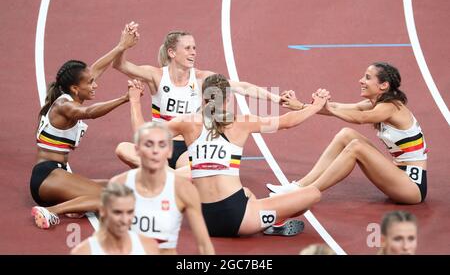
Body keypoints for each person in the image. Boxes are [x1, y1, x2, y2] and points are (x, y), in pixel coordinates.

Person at [128, 74, 324, 237]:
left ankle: (266, 218)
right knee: (313, 193)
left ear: (202, 98)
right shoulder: (242, 122)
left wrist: (135, 100)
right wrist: (315, 106)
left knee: (246, 192)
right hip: (237, 218)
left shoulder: (186, 123)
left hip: (205, 220)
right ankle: (274, 222)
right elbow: (287, 121)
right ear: (228, 99)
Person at [99, 23, 284, 170]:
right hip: (159, 144)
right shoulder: (156, 75)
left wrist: (275, 99)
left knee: (189, 170)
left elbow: (242, 87)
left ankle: (160, 174)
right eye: (187, 48)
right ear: (172, 52)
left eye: (194, 48)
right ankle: (164, 174)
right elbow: (120, 65)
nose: (193, 52)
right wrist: (123, 45)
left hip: (187, 148)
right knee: (122, 149)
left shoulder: (202, 78)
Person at [267, 62, 428, 205]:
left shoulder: (390, 107)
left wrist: (326, 106)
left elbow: (361, 118)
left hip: (412, 186)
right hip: (397, 174)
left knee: (357, 147)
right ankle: (298, 186)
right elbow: (339, 108)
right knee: (346, 134)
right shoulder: (374, 104)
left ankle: (305, 194)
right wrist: (302, 106)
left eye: (367, 77)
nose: (361, 81)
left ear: (383, 85)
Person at [30, 25, 140, 229]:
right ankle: (50, 211)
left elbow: (96, 68)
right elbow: (89, 113)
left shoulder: (73, 94)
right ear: (75, 88)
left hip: (60, 173)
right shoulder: (64, 106)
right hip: (46, 176)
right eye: (90, 83)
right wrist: (125, 98)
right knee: (108, 198)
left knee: (119, 189)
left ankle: (73, 204)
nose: (95, 85)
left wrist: (121, 46)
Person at [109, 119, 215, 254]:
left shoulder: (184, 190)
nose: (155, 151)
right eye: (148, 144)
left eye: (162, 145)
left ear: (169, 151)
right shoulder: (119, 185)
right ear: (137, 150)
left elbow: (204, 246)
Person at [71, 182, 160, 255]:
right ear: (102, 211)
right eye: (117, 212)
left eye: (130, 212)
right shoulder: (83, 252)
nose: (124, 220)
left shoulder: (148, 247)